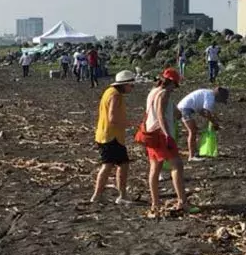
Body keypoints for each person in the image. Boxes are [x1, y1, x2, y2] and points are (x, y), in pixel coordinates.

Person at [134, 68, 188, 213]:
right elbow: (160, 114)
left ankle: (155, 203)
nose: (175, 89)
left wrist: (176, 113)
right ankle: (182, 201)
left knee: (155, 167)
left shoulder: (153, 92)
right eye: (175, 85)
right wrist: (167, 135)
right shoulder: (164, 94)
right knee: (177, 165)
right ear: (171, 83)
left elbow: (163, 111)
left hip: (150, 132)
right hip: (160, 134)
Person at [92, 70, 136, 204]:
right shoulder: (116, 96)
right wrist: (129, 124)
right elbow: (112, 118)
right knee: (115, 165)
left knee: (116, 164)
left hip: (105, 134)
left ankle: (100, 195)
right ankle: (118, 196)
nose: (132, 88)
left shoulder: (109, 92)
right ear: (124, 84)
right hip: (112, 136)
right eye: (131, 85)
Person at [176, 86, 228, 161]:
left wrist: (213, 120)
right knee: (192, 131)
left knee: (194, 130)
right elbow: (206, 113)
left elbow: (202, 111)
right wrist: (214, 123)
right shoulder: (210, 97)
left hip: (183, 108)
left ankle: (194, 151)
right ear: (219, 96)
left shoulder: (208, 93)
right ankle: (191, 156)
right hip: (184, 110)